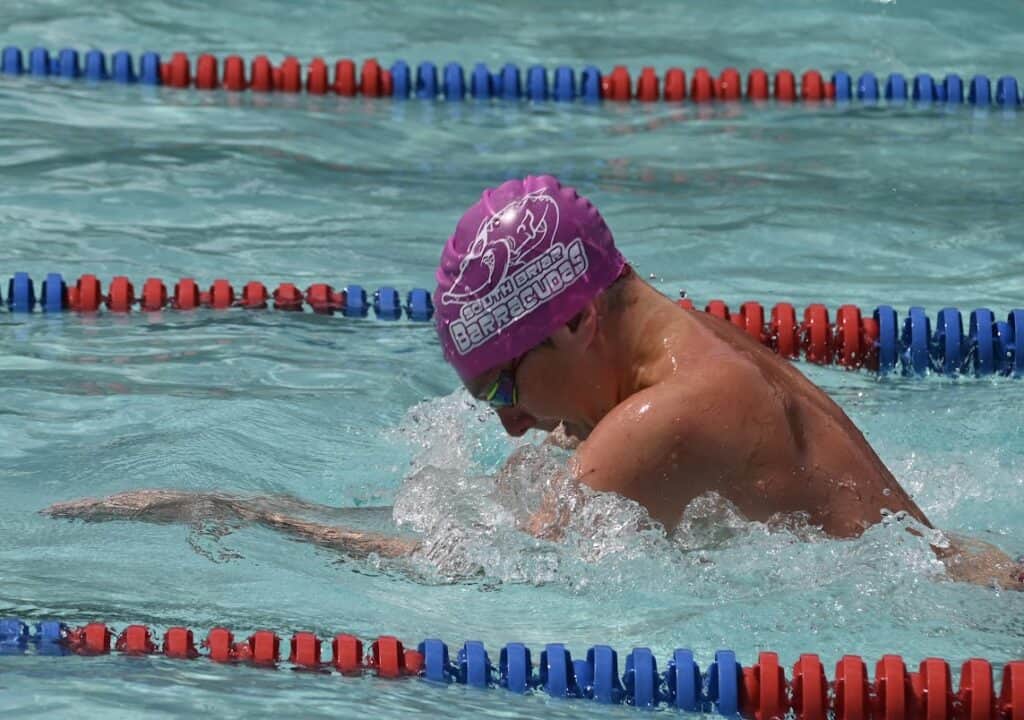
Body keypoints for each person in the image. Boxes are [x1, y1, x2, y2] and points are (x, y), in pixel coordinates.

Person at [45, 175, 1022, 588]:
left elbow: (476, 576)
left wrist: (246, 513)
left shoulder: (663, 417)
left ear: (576, 321)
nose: (513, 426)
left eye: (501, 390)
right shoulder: (690, 351)